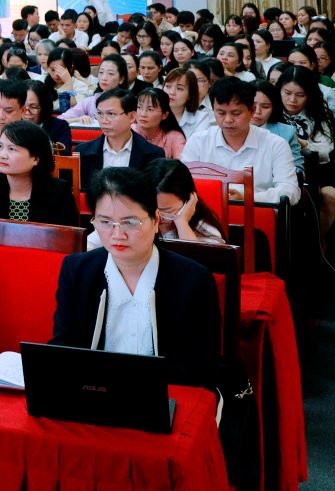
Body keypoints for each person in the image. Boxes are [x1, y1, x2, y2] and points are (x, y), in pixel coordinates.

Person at [50, 167, 221, 389]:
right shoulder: (77, 271)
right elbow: (63, 348)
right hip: (95, 395)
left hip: (165, 394)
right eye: (105, 222)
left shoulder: (193, 279)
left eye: (130, 222)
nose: (117, 234)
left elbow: (201, 366)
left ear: (156, 220)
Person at [0, 121, 79, 260]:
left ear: (35, 158)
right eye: (0, 146)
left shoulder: (59, 192)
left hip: (40, 265)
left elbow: (70, 244)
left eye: (12, 149)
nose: (2, 155)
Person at [182, 78, 300, 204]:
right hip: (208, 212)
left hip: (259, 212)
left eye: (236, 113)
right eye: (221, 113)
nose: (228, 120)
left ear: (252, 110)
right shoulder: (198, 142)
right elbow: (181, 184)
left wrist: (248, 197)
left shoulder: (276, 145)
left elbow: (290, 191)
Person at [273, 65, 335, 234]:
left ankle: (319, 243)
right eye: (287, 93)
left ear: (309, 95)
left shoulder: (317, 114)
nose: (292, 100)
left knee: (329, 195)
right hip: (275, 171)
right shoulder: (270, 110)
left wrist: (302, 144)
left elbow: (325, 151)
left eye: (300, 95)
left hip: (313, 173)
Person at [74, 88, 164, 191]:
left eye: (111, 114)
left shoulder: (154, 155)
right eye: (100, 114)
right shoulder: (82, 152)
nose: (104, 121)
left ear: (132, 116)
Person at [145, 158, 225, 245]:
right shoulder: (140, 215)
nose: (158, 216)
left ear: (188, 201)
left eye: (167, 211)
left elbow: (194, 254)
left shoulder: (204, 229)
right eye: (151, 207)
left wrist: (182, 223)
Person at [132, 86, 187, 159]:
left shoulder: (174, 137)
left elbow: (182, 164)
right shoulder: (128, 131)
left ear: (164, 115)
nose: (143, 114)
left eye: (150, 109)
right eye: (139, 107)